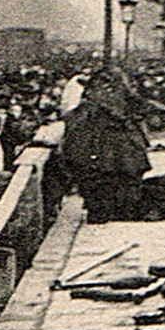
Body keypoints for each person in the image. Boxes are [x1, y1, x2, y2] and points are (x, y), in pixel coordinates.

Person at [59, 70, 152, 223]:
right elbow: (141, 108)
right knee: (119, 174)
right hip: (114, 142)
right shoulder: (119, 94)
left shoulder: (92, 98)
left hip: (104, 143)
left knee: (101, 175)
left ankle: (104, 210)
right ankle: (116, 209)